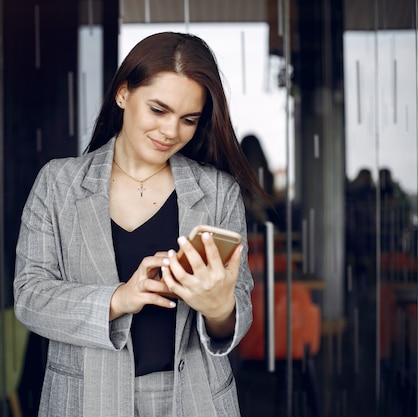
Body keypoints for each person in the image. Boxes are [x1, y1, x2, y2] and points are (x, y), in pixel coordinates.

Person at [13, 32, 262, 416]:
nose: (170, 131)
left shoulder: (217, 193)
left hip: (195, 399)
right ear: (123, 94)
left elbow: (235, 314)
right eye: (158, 110)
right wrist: (118, 300)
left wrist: (218, 308)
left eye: (188, 120)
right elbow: (29, 299)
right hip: (86, 399)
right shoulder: (58, 184)